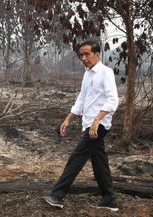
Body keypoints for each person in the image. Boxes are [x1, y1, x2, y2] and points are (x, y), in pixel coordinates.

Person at [43, 40, 119, 212]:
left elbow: (113, 100)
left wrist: (97, 120)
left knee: (76, 158)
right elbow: (82, 100)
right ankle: (109, 199)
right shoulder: (87, 74)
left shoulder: (105, 73)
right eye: (81, 55)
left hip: (98, 125)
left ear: (97, 55)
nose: (83, 58)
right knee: (99, 162)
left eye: (87, 54)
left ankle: (57, 196)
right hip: (88, 123)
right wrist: (68, 119)